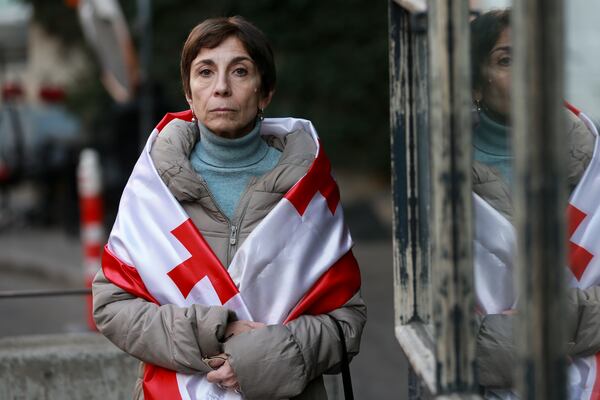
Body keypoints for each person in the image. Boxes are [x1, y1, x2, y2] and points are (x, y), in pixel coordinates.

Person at [92, 16, 366, 400]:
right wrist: (216, 331)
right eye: (205, 72)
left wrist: (261, 357)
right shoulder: (153, 188)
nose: (221, 87)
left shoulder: (309, 188)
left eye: (239, 71)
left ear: (265, 91)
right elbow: (112, 305)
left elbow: (346, 320)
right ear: (188, 92)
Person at [470, 9, 600, 398]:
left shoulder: (591, 162)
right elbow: (430, 333)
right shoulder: (439, 168)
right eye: (506, 59)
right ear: (475, 81)